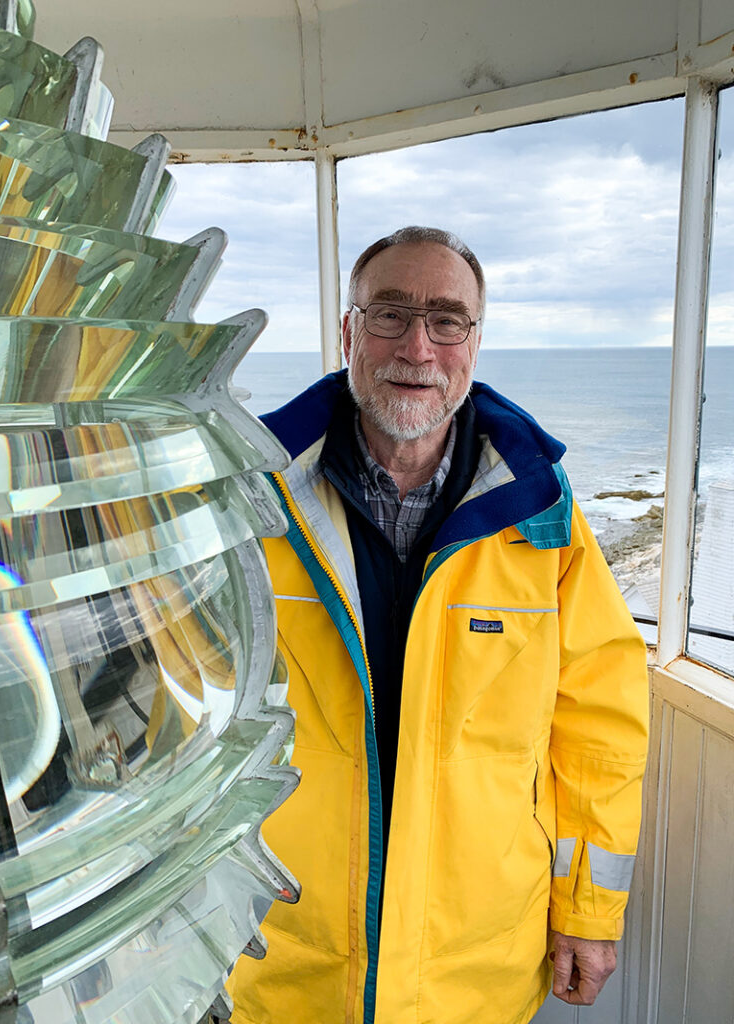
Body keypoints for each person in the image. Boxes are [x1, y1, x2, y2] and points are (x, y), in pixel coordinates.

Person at [228, 226, 649, 1024]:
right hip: (285, 947)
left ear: (475, 345)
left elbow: (599, 721)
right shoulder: (250, 501)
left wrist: (589, 911)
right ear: (350, 331)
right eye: (390, 314)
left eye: (447, 320)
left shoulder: (542, 513)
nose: (417, 345)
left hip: (476, 966)